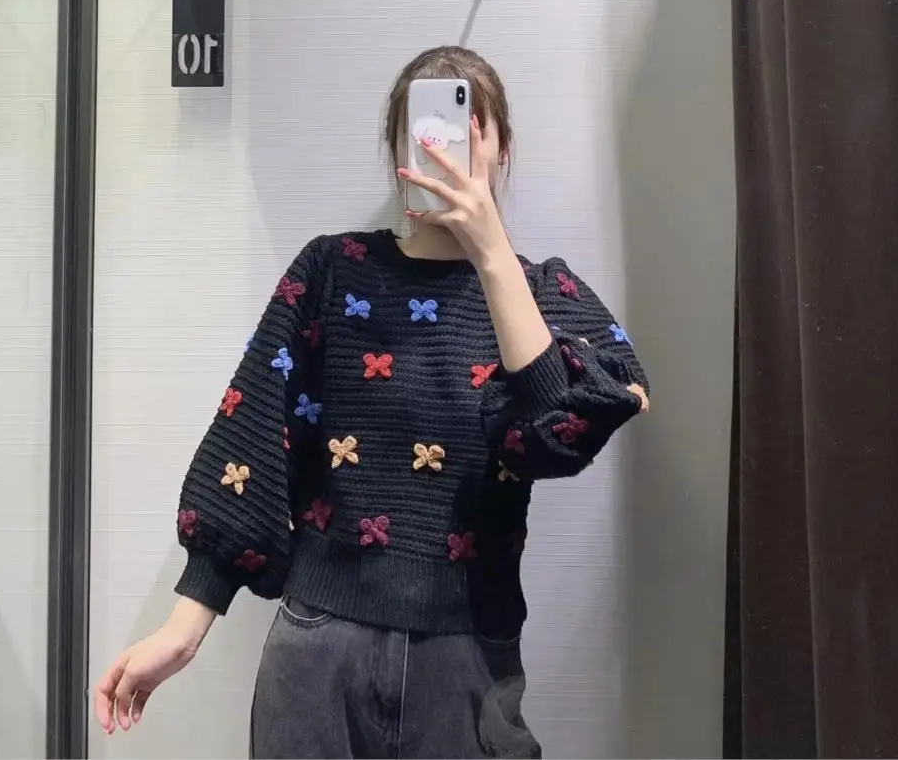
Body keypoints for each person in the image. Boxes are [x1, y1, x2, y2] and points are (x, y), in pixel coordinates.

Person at [94, 45, 649, 759]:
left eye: (466, 129)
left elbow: (563, 433)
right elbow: (251, 436)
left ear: (502, 149)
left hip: (468, 654)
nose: (443, 150)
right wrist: (184, 628)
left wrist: (491, 254)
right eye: (424, 130)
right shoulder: (333, 271)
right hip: (320, 648)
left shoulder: (543, 293)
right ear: (398, 153)